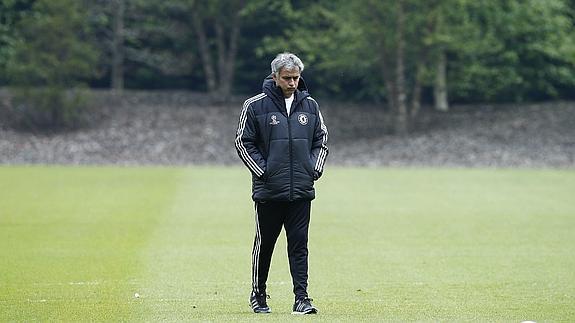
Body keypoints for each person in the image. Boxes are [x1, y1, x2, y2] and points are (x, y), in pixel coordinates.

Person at [235, 52, 329, 315]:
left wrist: (313, 169)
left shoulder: (310, 105)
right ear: (275, 77)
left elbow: (321, 141)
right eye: (287, 78)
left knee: (299, 245)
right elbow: (243, 142)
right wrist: (263, 172)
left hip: (301, 190)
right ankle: (258, 293)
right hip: (269, 191)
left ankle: (302, 298)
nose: (292, 83)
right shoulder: (254, 106)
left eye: (296, 78)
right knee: (265, 244)